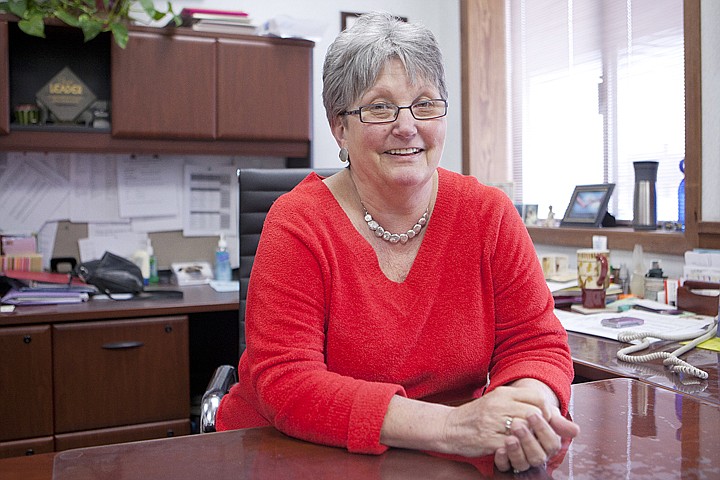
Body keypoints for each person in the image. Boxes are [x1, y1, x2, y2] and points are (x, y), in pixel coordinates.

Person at [216, 11, 580, 473]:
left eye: (425, 104)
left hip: (446, 463)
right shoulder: (297, 224)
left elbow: (537, 343)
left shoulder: (488, 214)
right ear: (339, 127)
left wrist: (528, 407)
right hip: (296, 455)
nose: (407, 126)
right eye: (379, 107)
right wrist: (454, 427)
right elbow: (288, 383)